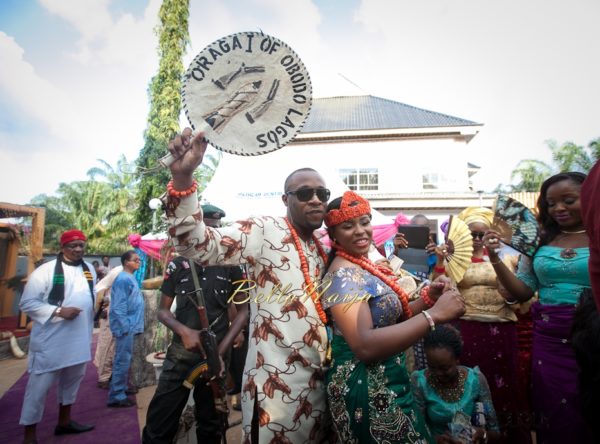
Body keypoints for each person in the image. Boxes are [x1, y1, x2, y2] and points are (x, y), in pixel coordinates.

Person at [164, 128, 331, 442]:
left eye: (322, 194)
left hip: (320, 390)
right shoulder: (264, 230)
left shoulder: (323, 250)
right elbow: (199, 244)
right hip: (276, 396)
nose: (315, 200)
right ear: (286, 199)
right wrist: (184, 179)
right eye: (304, 193)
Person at [320, 191, 466, 443]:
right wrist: (434, 315)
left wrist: (429, 297)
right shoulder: (342, 275)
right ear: (333, 235)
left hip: (389, 376)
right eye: (348, 226)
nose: (360, 231)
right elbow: (364, 346)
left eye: (364, 222)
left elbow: (389, 319)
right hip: (365, 386)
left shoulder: (363, 264)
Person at [484, 171, 592, 444]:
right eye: (551, 203)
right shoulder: (539, 242)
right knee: (556, 409)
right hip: (550, 339)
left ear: (591, 197)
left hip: (594, 335)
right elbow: (522, 291)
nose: (559, 208)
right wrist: (495, 258)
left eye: (569, 200)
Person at [142, 204, 249, 444]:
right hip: (182, 353)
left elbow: (242, 313)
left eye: (216, 230)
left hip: (218, 354)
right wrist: (183, 330)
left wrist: (220, 353)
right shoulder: (177, 264)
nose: (213, 236)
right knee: (161, 420)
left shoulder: (232, 265)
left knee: (211, 424)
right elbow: (163, 311)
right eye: (207, 230)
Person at [434, 207, 527, 442]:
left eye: (482, 235)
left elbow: (521, 296)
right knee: (468, 387)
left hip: (500, 330)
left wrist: (507, 291)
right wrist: (441, 262)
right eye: (472, 235)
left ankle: (505, 436)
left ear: (491, 235)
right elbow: (438, 291)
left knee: (504, 386)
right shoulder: (456, 260)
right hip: (466, 330)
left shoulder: (508, 258)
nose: (477, 240)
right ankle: (464, 436)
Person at [19, 229, 96, 444]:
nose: (78, 249)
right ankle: (29, 436)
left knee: (71, 385)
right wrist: (59, 311)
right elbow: (26, 303)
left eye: (81, 245)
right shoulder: (44, 272)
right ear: (62, 248)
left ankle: (64, 422)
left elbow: (90, 297)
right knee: (38, 390)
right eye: (73, 245)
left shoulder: (89, 269)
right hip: (51, 342)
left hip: (79, 340)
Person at [411, 324, 501, 444]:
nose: (438, 373)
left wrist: (481, 434)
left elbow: (495, 432)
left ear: (457, 359)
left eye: (445, 368)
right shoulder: (420, 382)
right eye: (432, 367)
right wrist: (436, 440)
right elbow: (416, 431)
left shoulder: (475, 380)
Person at [107, 250, 144, 407]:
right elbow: (118, 306)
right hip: (125, 326)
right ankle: (117, 395)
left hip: (130, 324)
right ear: (126, 262)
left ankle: (120, 387)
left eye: (139, 260)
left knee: (125, 358)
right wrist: (124, 326)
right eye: (135, 259)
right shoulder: (123, 279)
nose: (138, 262)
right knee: (122, 360)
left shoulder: (130, 278)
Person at [93, 265, 123, 389]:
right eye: (135, 260)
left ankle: (111, 376)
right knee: (107, 343)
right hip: (111, 314)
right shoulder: (118, 271)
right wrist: (101, 309)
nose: (138, 262)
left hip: (121, 314)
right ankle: (103, 378)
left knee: (116, 347)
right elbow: (100, 288)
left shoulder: (130, 272)